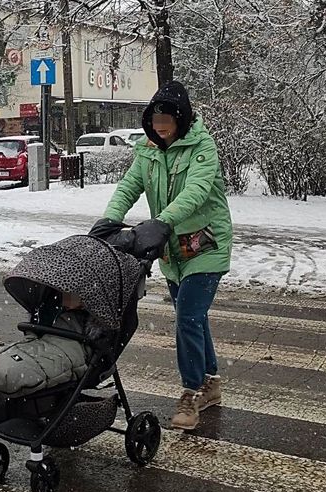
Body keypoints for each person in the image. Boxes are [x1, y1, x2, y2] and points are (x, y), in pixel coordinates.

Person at [89, 80, 234, 430]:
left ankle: (190, 395)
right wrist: (109, 219)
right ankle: (211, 383)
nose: (161, 129)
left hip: (205, 244)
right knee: (194, 318)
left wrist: (161, 222)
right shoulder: (148, 149)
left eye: (167, 123)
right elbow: (129, 185)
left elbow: (197, 192)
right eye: (156, 123)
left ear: (181, 121)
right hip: (171, 249)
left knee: (187, 317)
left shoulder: (202, 147)